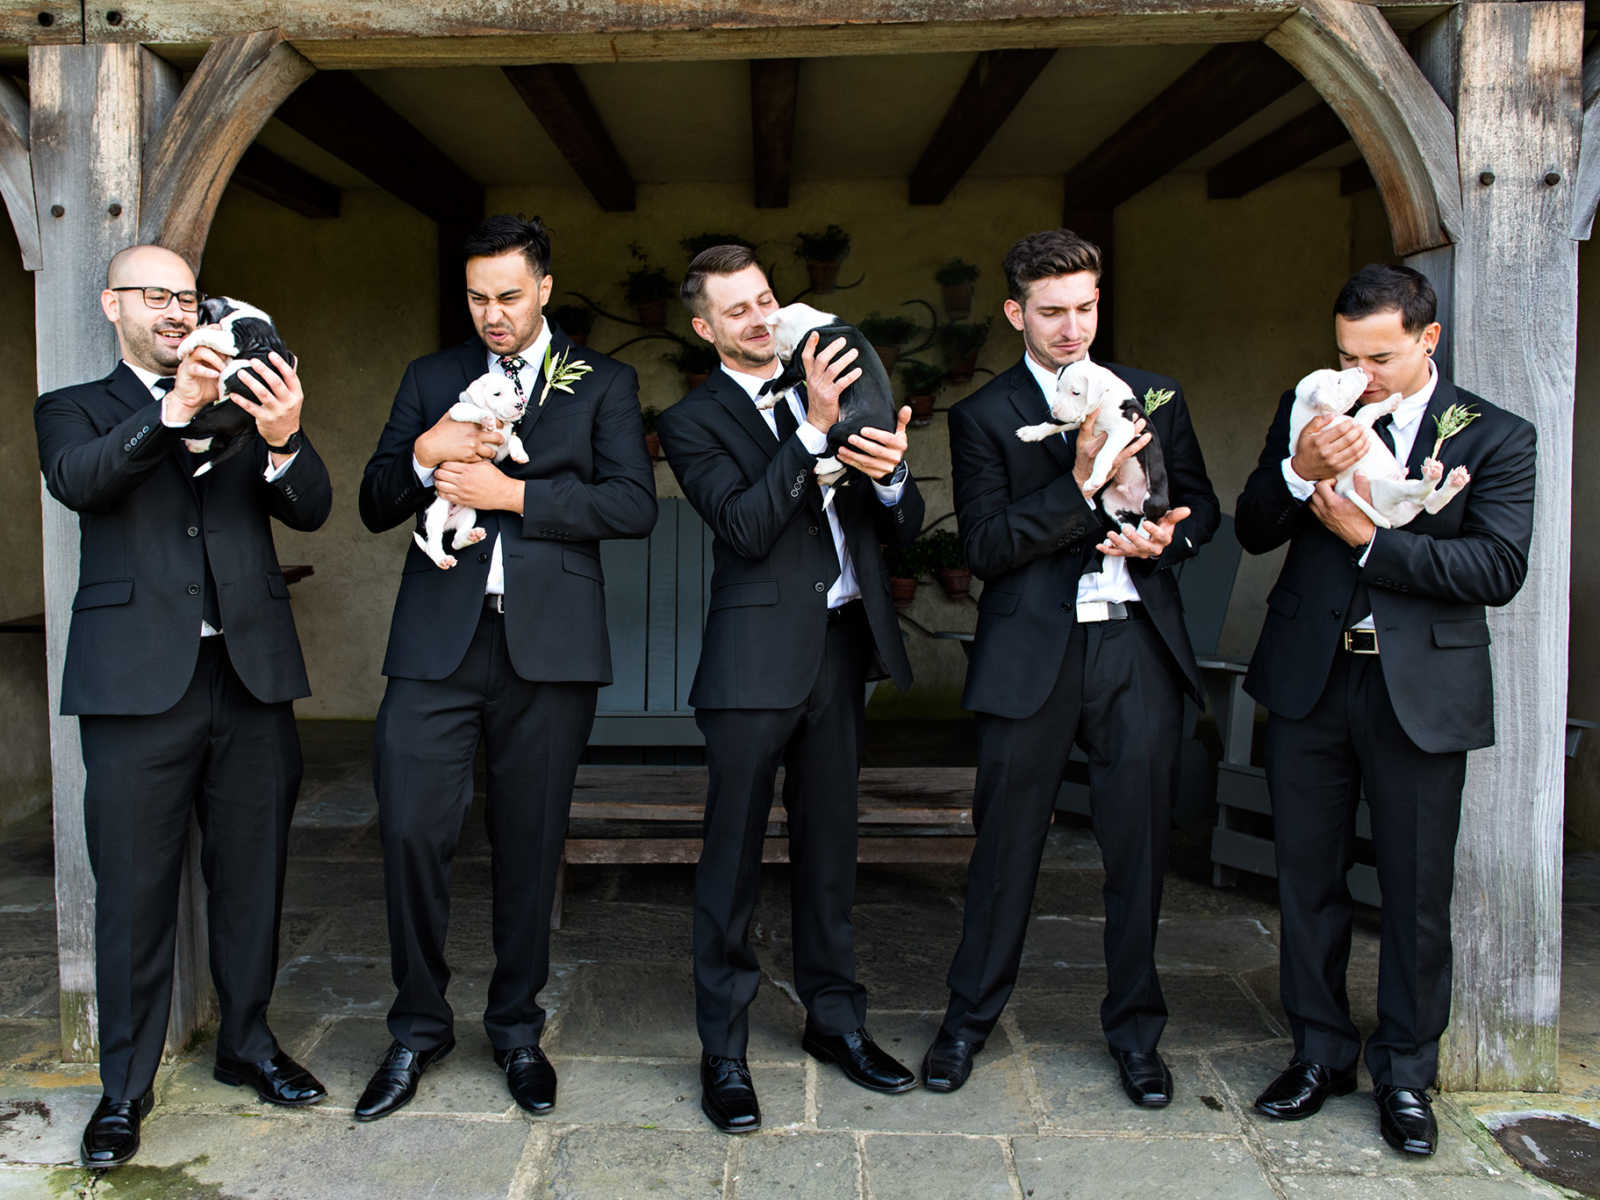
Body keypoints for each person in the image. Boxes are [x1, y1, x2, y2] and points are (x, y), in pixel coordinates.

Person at [34, 244, 333, 1168]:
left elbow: (315, 507)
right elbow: (82, 482)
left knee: (253, 877)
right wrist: (175, 411)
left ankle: (247, 1045)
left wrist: (281, 438)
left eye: (187, 296)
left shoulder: (251, 394)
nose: (174, 310)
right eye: (154, 296)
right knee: (131, 892)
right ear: (111, 305)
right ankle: (122, 1089)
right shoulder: (73, 407)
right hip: (134, 689)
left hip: (249, 679)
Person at [354, 214, 656, 1121]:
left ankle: (517, 1027)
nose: (492, 314)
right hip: (435, 644)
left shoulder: (605, 381)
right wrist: (423, 452)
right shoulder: (430, 378)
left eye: (509, 297)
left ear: (546, 291)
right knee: (409, 828)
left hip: (550, 647)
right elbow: (375, 499)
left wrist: (514, 493)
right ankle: (417, 1028)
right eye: (479, 298)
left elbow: (633, 506)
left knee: (530, 842)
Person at [1238, 264, 1535, 1157]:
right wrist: (1297, 470)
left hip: (1420, 690)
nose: (1357, 373)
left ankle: (1406, 1072)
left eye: (1380, 355)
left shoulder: (1494, 433)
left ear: (1428, 340)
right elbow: (1253, 525)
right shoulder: (1312, 407)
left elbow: (1497, 569)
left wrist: (1375, 545)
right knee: (1307, 879)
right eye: (1343, 352)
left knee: (1413, 891)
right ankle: (1319, 1053)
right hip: (1311, 679)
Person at [924, 229, 1219, 1107]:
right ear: (1017, 313)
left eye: (1085, 309)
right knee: (1006, 848)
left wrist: (1170, 538)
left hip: (1136, 644)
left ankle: (1136, 1034)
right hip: (1032, 654)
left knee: (1138, 849)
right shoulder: (982, 416)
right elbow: (983, 546)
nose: (1072, 328)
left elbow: (1202, 505)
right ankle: (967, 1022)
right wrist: (1081, 482)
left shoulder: (1155, 394)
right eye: (1051, 312)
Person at [657, 245, 925, 1134]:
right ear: (705, 328)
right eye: (737, 310)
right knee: (730, 859)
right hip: (750, 661)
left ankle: (835, 1023)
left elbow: (905, 521)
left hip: (843, 647)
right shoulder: (692, 420)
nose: (760, 317)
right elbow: (743, 525)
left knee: (830, 851)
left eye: (766, 299)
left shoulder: (840, 379)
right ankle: (724, 1050)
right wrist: (812, 431)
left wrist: (890, 474)